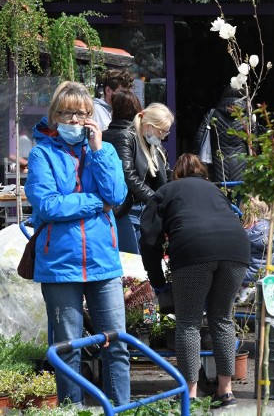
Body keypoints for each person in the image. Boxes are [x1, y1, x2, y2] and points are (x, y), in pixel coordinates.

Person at [24, 81, 130, 406]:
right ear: (55, 115)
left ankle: (121, 411)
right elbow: (48, 205)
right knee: (68, 349)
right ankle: (73, 412)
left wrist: (97, 151)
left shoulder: (105, 151)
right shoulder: (42, 153)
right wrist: (95, 203)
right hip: (60, 266)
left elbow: (117, 195)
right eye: (67, 113)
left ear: (91, 117)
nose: (74, 120)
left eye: (81, 113)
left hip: (104, 264)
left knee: (118, 345)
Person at [139, 153, 250, 407]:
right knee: (222, 318)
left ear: (176, 174)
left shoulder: (166, 191)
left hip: (193, 251)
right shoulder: (215, 191)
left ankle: (189, 394)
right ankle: (226, 391)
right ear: (203, 173)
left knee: (188, 323)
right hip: (236, 249)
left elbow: (148, 239)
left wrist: (157, 281)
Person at [125, 102, 174, 251]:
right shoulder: (128, 139)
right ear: (149, 125)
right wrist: (155, 198)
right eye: (162, 131)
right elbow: (129, 176)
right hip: (130, 209)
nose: (163, 137)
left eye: (166, 132)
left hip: (146, 209)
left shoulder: (157, 148)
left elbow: (167, 174)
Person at [101, 89, 144, 253]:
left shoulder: (104, 135)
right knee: (134, 259)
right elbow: (128, 174)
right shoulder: (128, 136)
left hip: (118, 203)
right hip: (127, 205)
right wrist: (153, 196)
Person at [192, 86, 248, 183]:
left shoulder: (212, 113)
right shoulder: (248, 116)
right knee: (240, 194)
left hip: (217, 163)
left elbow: (199, 139)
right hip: (242, 164)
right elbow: (254, 144)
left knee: (220, 194)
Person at [238, 195, 274, 304]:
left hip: (248, 278)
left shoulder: (247, 231)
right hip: (267, 275)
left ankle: (246, 296)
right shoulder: (271, 226)